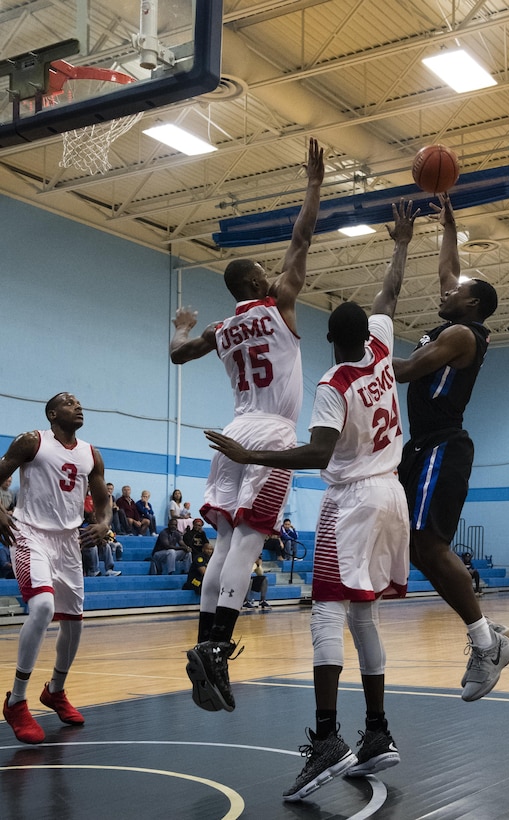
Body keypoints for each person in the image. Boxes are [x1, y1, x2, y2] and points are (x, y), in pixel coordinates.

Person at [206, 199, 417, 800]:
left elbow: (317, 456)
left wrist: (252, 458)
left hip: (352, 501)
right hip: (393, 495)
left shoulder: (333, 384)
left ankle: (327, 737)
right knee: (364, 615)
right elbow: (389, 296)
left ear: (329, 339)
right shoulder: (380, 348)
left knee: (326, 611)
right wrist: (400, 244)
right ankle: (377, 733)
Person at [170, 137, 324, 715]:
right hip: (271, 436)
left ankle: (206, 636)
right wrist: (312, 185)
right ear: (259, 285)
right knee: (251, 541)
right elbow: (302, 238)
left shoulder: (219, 328)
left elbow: (177, 356)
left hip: (230, 433)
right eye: (265, 273)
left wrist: (180, 328)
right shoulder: (280, 302)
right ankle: (218, 647)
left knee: (226, 542)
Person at [393, 193, 509, 703]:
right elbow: (450, 267)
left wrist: (352, 363)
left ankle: (485, 643)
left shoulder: (463, 334)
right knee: (419, 550)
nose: (445, 291)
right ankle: (489, 638)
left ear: (473, 304)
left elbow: (404, 370)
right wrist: (448, 222)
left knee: (431, 545)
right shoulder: (453, 315)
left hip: (443, 444)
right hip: (422, 447)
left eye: (457, 291)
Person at [0, 392, 111, 745]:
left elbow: (103, 498)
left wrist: (105, 522)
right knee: (44, 607)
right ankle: (16, 700)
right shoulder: (32, 441)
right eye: (69, 402)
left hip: (68, 541)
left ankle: (55, 691)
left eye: (80, 402)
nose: (78, 406)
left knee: (75, 621)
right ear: (52, 413)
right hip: (30, 533)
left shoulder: (90, 453)